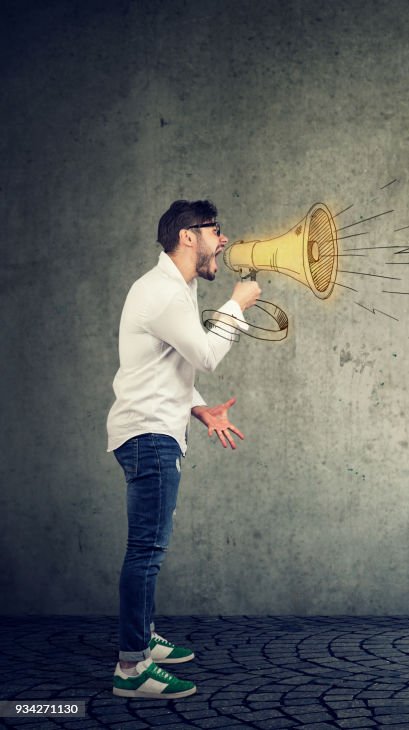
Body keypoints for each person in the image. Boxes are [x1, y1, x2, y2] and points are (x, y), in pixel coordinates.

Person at [106, 200, 261, 699]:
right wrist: (238, 303)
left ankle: (143, 639)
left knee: (148, 550)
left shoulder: (174, 288)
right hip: (150, 436)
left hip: (153, 430)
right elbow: (208, 355)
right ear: (189, 237)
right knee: (146, 552)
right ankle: (132, 669)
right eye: (217, 232)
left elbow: (163, 364)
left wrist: (199, 410)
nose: (224, 242)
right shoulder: (166, 294)